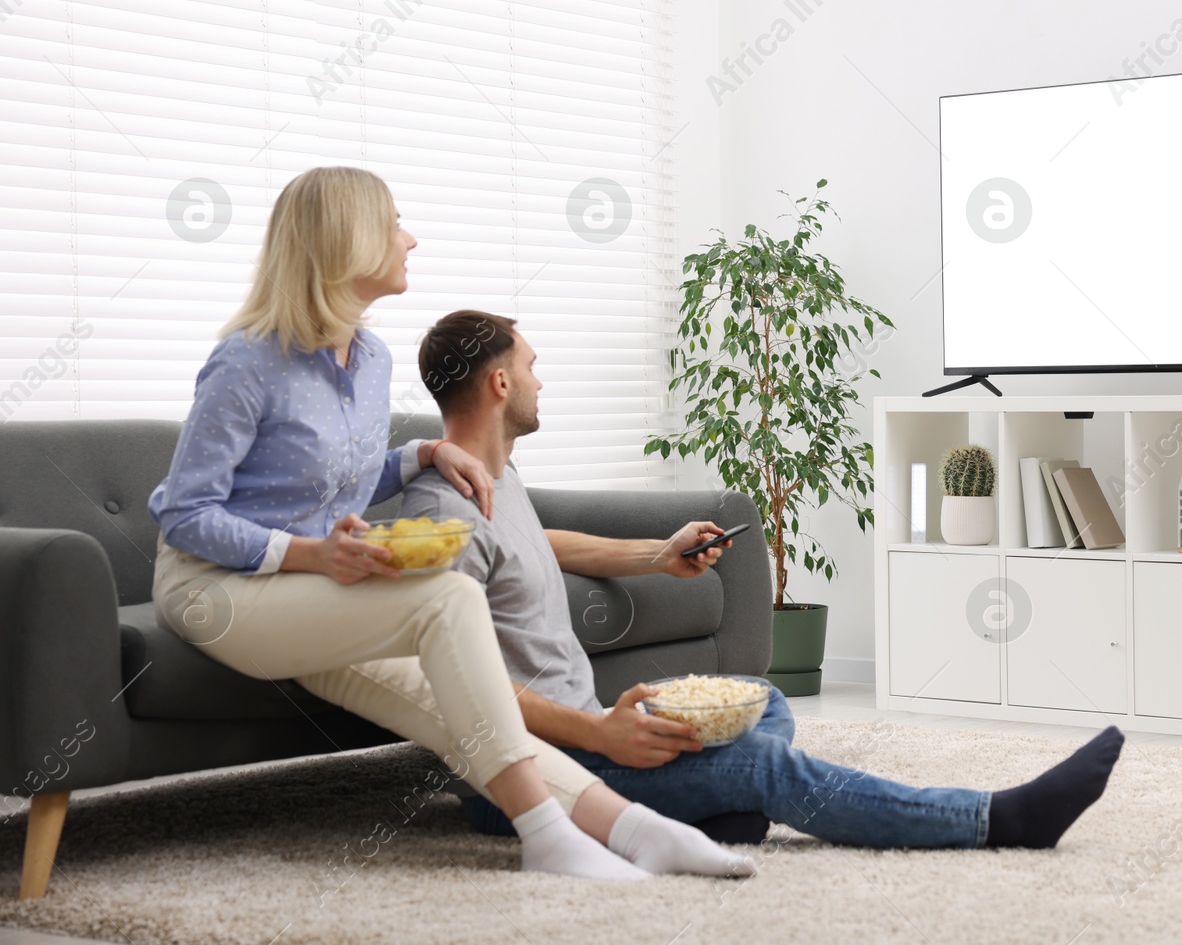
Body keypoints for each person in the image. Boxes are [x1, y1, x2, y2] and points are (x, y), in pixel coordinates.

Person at [148, 167, 753, 880]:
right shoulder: (247, 362)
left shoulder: (369, 359)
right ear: (347, 240)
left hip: (301, 599)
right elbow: (184, 514)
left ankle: (637, 829)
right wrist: (313, 555)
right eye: (394, 223)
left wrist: (422, 452)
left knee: (449, 697)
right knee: (450, 595)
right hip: (214, 590)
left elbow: (327, 481)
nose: (411, 238)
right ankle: (547, 838)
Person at [399, 308, 1126, 853]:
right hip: (529, 778)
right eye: (530, 365)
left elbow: (543, 544)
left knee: (762, 698)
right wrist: (600, 731)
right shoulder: (441, 509)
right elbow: (462, 682)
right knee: (759, 763)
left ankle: (721, 813)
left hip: (586, 738)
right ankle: (997, 818)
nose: (539, 378)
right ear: (499, 382)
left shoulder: (496, 478)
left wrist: (660, 552)